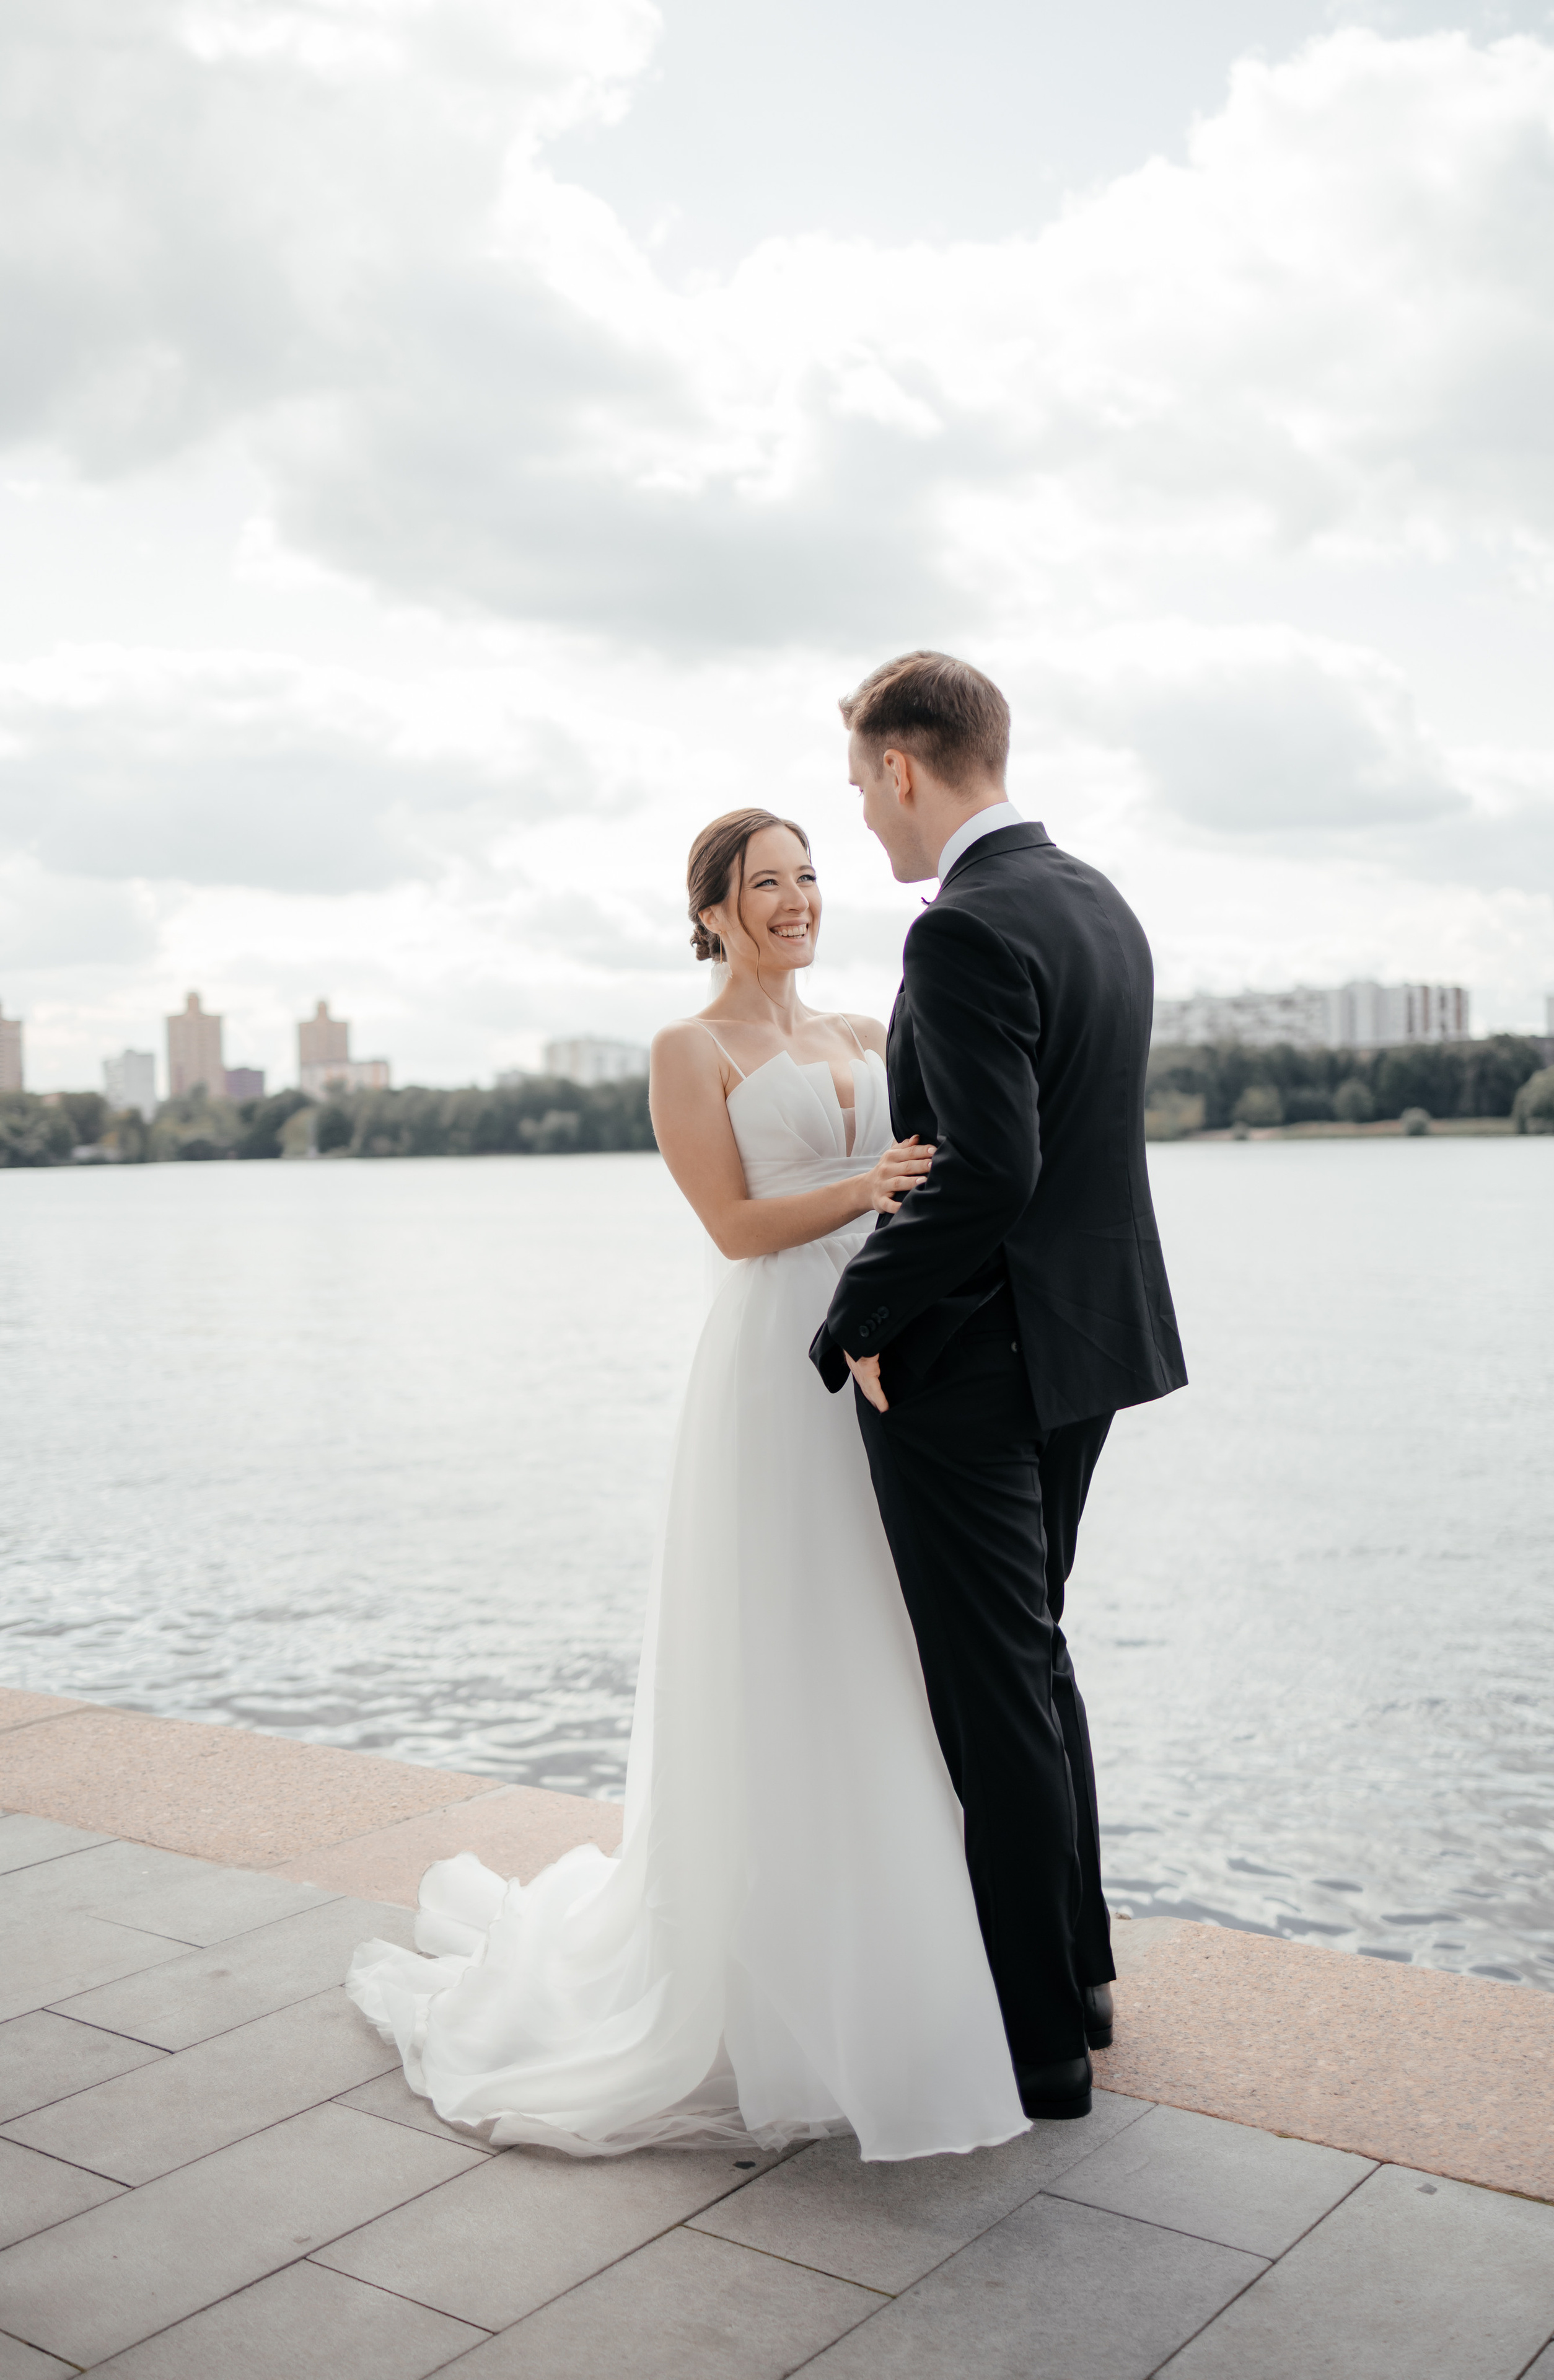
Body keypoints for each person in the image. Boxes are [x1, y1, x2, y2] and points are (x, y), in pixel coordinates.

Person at [346, 805, 1029, 2158]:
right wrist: (862, 1192)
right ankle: (764, 1976)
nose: (796, 901)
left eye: (808, 876)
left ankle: (905, 1955)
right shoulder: (687, 1048)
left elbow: (938, 1178)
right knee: (790, 1635)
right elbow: (728, 1225)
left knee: (892, 1642)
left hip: (893, 1349)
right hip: (778, 1352)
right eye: (765, 883)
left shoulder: (862, 1031)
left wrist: (905, 1238)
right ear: (711, 909)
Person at [810, 651, 1187, 2120]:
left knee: (991, 1695)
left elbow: (988, 1167)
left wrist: (857, 1314)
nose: (861, 822)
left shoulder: (958, 933)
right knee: (1034, 1659)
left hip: (972, 1359)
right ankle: (1080, 1974)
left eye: (857, 788)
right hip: (1088, 1348)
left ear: (902, 767)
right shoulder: (1099, 901)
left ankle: (1035, 2045)